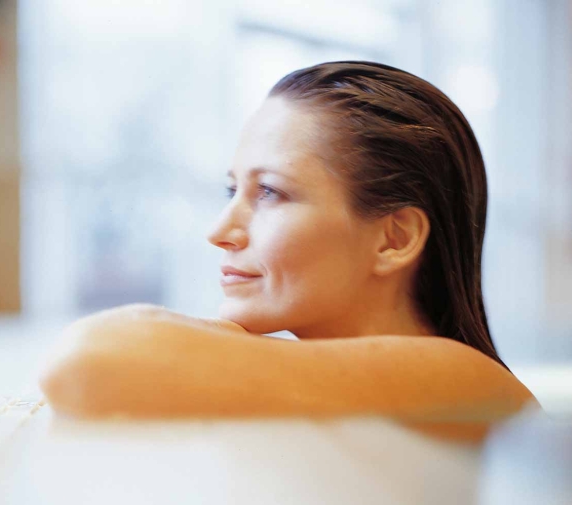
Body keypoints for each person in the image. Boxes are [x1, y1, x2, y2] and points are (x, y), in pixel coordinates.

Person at [38, 61, 538, 440]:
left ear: (395, 239)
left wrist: (213, 341)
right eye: (231, 191)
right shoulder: (339, 387)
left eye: (270, 193)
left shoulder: (461, 382)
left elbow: (85, 362)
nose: (220, 230)